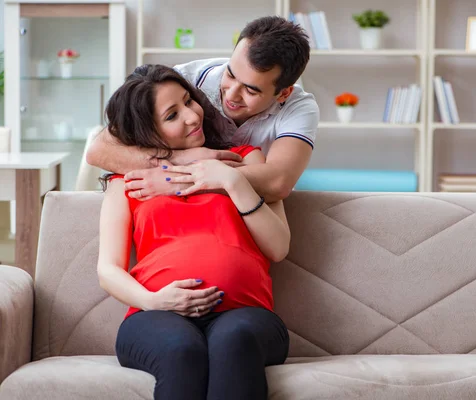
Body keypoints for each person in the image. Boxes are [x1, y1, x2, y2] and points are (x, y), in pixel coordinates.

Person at [97, 64, 290, 400]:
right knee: (180, 349)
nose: (191, 116)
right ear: (147, 132)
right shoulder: (127, 182)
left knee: (234, 341)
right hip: (156, 315)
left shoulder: (246, 160)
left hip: (245, 314)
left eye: (189, 101)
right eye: (172, 115)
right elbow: (108, 269)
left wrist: (230, 179)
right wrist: (153, 301)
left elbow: (278, 247)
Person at [87, 15, 318, 203]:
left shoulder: (299, 107)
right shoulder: (185, 80)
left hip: (250, 208)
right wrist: (182, 158)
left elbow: (278, 182)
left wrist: (178, 181)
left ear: (284, 93)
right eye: (230, 74)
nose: (232, 94)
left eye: (251, 90)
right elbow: (99, 150)